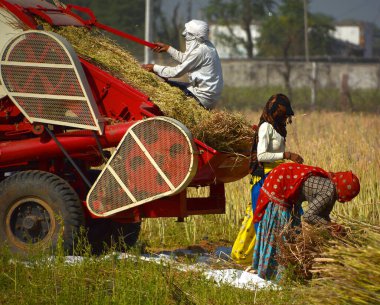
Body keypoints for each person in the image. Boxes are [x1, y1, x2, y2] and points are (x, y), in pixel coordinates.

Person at [252, 163, 360, 281]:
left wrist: (332, 228)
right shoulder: (329, 192)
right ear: (345, 192)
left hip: (283, 179)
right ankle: (272, 275)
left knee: (293, 229)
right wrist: (330, 226)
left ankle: (284, 274)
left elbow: (322, 215)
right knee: (281, 233)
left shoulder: (331, 185)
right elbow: (309, 216)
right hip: (280, 184)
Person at [231, 94, 303, 265]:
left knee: (285, 217)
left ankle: (281, 256)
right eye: (283, 114)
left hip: (277, 178)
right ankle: (259, 262)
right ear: (273, 111)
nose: (285, 118)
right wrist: (287, 155)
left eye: (287, 115)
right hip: (263, 180)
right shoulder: (265, 127)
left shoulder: (278, 129)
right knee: (262, 220)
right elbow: (262, 155)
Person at [142, 19, 223, 110]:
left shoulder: (200, 51)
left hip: (201, 97)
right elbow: (188, 60)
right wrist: (168, 48)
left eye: (187, 33)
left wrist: (154, 68)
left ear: (195, 36)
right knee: (167, 85)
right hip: (206, 95)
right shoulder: (207, 46)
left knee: (163, 90)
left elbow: (177, 72)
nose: (184, 34)